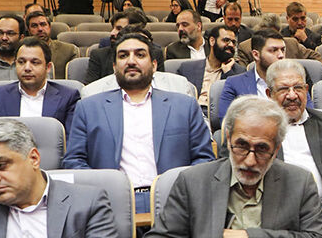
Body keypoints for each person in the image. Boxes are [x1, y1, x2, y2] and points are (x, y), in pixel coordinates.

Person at [139, 96, 322, 238]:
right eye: (242, 146)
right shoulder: (193, 182)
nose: (250, 161)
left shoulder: (299, 181)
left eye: (262, 149)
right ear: (228, 139)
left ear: (276, 148)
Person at [65, 31, 213, 213]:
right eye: (123, 56)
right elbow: (74, 161)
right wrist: (101, 194)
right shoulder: (88, 108)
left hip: (174, 202)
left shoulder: (184, 106)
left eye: (140, 55)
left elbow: (204, 159)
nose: (131, 61)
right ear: (114, 66)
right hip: (110, 205)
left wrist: (182, 193)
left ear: (154, 65)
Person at [264, 60, 322, 215]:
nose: (292, 95)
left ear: (306, 90)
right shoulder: (259, 129)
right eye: (283, 89)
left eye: (298, 88)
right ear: (269, 95)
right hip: (276, 212)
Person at [0, 38, 79, 129]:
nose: (27, 68)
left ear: (48, 67)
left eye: (35, 62)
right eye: (21, 62)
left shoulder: (68, 97)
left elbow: (69, 139)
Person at [217, 30, 289, 121]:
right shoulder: (234, 84)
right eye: (274, 50)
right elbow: (226, 122)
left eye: (283, 50)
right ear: (256, 55)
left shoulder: (295, 82)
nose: (281, 55)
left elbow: (305, 117)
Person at [84, 10, 164, 83]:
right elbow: (91, 87)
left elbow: (160, 84)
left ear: (134, 30)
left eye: (119, 29)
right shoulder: (98, 55)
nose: (112, 33)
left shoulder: (155, 53)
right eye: (113, 28)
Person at [185, 24, 244, 111]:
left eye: (233, 42)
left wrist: (228, 73)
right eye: (226, 40)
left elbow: (239, 102)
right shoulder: (188, 68)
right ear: (212, 41)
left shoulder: (239, 72)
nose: (231, 45)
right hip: (193, 113)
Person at [234, 11, 321, 65]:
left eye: (272, 34)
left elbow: (316, 57)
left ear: (278, 32)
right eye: (265, 33)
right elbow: (243, 73)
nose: (269, 38)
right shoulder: (246, 47)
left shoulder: (291, 43)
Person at [23, 7, 76, 79]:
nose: (40, 29)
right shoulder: (22, 50)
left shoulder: (69, 50)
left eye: (43, 24)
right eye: (34, 26)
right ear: (28, 30)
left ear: (50, 27)